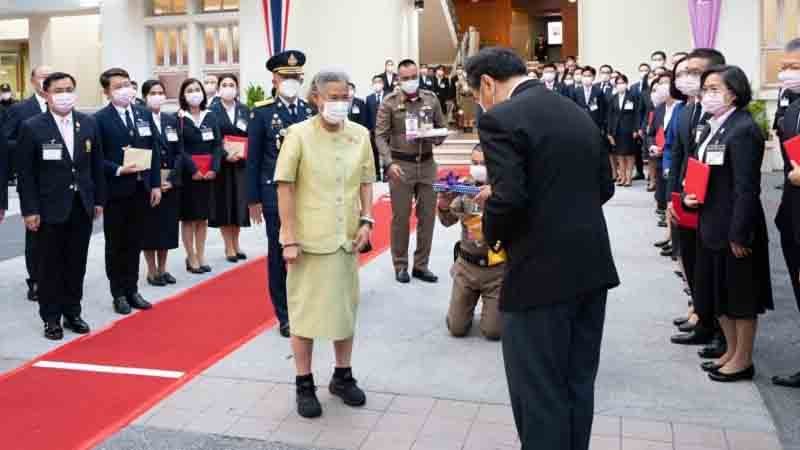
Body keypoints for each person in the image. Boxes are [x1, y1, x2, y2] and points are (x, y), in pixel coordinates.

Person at [465, 47, 619, 450]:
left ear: (486, 83)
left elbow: (510, 197)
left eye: (477, 96)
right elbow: (605, 185)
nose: (480, 105)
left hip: (537, 274)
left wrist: (492, 232)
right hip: (591, 265)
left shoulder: (501, 118)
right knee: (577, 381)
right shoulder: (574, 110)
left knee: (539, 392)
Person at [274, 69, 375, 419]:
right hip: (307, 239)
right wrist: (288, 237)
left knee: (344, 310)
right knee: (304, 313)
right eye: (332, 96)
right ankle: (304, 383)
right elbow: (284, 185)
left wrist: (367, 220)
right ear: (315, 98)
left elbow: (365, 180)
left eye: (345, 95)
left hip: (346, 236)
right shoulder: (298, 135)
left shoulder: (360, 134)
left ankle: (342, 376)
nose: (339, 102)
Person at [683, 65, 773, 382]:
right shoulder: (714, 126)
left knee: (740, 296)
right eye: (705, 88)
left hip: (735, 226)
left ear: (733, 92)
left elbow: (746, 188)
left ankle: (743, 359)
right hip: (710, 223)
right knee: (720, 294)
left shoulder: (743, 128)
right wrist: (689, 196)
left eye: (714, 88)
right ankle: (730, 351)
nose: (707, 94)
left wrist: (740, 232)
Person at [16, 71, 107, 340]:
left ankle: (72, 312)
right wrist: (29, 210)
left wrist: (98, 200)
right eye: (58, 90)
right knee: (49, 266)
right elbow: (26, 175)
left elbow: (96, 167)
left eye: (69, 89)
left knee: (75, 263)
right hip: (48, 209)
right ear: (46, 94)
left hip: (81, 206)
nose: (64, 95)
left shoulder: (88, 124)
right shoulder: (32, 126)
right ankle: (51, 318)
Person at [247, 50, 313, 338]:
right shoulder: (262, 113)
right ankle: (284, 314)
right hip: (274, 193)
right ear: (274, 78)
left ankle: (305, 306)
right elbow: (254, 160)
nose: (292, 81)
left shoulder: (309, 110)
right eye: (286, 77)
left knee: (307, 250)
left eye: (296, 77)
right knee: (279, 252)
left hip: (308, 193)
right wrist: (253, 199)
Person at [668, 48, 727, 351]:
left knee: (710, 268)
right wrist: (672, 197)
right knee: (690, 260)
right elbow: (679, 155)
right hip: (686, 196)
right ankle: (701, 317)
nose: (687, 78)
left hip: (710, 203)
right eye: (683, 73)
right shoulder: (687, 108)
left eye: (694, 72)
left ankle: (715, 326)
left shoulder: (719, 113)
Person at [95, 67, 161, 315]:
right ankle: (118, 293)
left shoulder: (143, 114)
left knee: (135, 241)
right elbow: (96, 159)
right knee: (116, 243)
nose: (125, 90)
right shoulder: (99, 120)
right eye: (118, 86)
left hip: (140, 188)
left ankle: (132, 289)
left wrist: (155, 184)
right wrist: (118, 169)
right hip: (116, 191)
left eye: (127, 84)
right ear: (107, 92)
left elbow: (153, 150)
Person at [375, 58, 447, 284]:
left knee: (427, 217)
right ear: (398, 79)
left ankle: (421, 265)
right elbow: (380, 135)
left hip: (427, 164)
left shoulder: (431, 99)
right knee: (401, 218)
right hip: (401, 166)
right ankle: (400, 265)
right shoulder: (389, 102)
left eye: (413, 77)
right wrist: (388, 163)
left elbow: (441, 128)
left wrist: (436, 136)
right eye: (405, 78)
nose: (410, 81)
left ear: (419, 75)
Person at [437, 145, 502, 341]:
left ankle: (497, 307)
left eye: (484, 163)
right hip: (467, 267)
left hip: (496, 270)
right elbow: (447, 221)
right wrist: (444, 205)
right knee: (456, 329)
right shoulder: (463, 186)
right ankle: (465, 305)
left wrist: (492, 204)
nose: (478, 167)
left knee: (493, 332)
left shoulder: (504, 189)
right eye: (474, 163)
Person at [2, 65, 52, 302]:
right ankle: (35, 280)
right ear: (33, 81)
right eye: (42, 77)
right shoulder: (20, 110)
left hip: (62, 183)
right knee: (36, 234)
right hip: (33, 182)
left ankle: (57, 277)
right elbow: (7, 142)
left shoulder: (65, 110)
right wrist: (32, 146)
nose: (47, 81)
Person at [772, 38, 800, 388]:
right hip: (793, 215)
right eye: (786, 66)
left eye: (795, 67)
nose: (787, 73)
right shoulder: (792, 111)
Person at [141, 80, 186, 286]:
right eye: (153, 93)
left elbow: (180, 152)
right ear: (145, 96)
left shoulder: (170, 119)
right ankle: (151, 271)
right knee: (150, 227)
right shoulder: (140, 119)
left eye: (160, 92)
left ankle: (163, 268)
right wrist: (155, 182)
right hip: (150, 182)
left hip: (170, 181)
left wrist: (172, 178)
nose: (157, 96)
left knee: (167, 227)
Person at [178, 78, 222, 275]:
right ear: (183, 95)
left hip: (208, 175)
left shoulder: (210, 116)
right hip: (189, 176)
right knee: (189, 219)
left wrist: (214, 167)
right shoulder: (178, 117)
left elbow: (217, 145)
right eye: (190, 90)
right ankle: (191, 256)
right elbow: (178, 148)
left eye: (197, 89)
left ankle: (201, 254)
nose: (194, 93)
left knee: (203, 219)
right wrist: (192, 169)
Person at [209, 73, 251, 263]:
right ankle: (228, 246)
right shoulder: (212, 110)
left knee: (239, 205)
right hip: (223, 165)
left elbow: (250, 135)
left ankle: (237, 242)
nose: (228, 88)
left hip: (241, 163)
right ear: (219, 89)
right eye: (224, 84)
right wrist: (226, 154)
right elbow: (212, 139)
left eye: (231, 84)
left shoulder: (244, 109)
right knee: (225, 205)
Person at [607, 74, 640, 187]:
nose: (620, 85)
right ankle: (622, 177)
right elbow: (610, 115)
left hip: (629, 130)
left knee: (629, 154)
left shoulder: (633, 96)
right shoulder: (613, 98)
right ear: (615, 85)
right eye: (618, 83)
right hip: (617, 130)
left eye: (622, 83)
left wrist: (636, 128)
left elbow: (637, 113)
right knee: (619, 154)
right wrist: (609, 132)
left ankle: (629, 177)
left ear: (626, 84)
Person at [365, 75, 385, 181]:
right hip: (373, 130)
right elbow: (367, 115)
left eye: (379, 82)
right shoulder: (369, 98)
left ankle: (387, 174)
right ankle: (377, 174)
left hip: (386, 130)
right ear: (372, 85)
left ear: (382, 84)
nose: (377, 84)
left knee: (386, 151)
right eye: (375, 82)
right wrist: (368, 129)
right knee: (374, 153)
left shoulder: (388, 96)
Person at [454, 68, 477, 133]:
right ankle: (465, 127)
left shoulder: (472, 81)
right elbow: (457, 92)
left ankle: (470, 127)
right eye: (464, 73)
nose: (465, 75)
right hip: (463, 99)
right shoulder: (460, 82)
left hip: (471, 99)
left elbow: (475, 91)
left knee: (471, 114)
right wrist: (458, 101)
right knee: (463, 115)